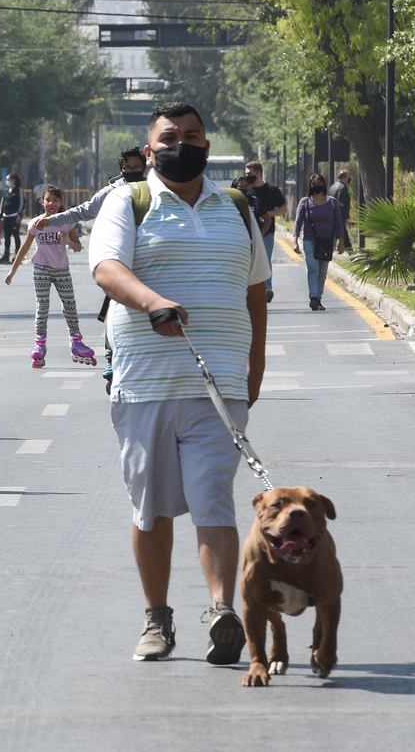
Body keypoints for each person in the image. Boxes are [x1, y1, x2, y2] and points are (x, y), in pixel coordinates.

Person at [90, 102, 269, 664]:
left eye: (193, 135)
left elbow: (255, 290)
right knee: (152, 508)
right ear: (150, 149)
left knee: (214, 495)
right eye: (169, 136)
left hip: (220, 385)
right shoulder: (129, 200)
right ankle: (157, 619)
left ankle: (221, 611)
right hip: (145, 382)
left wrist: (254, 366)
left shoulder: (236, 207)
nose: (181, 143)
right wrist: (153, 301)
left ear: (208, 147)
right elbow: (107, 269)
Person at [28, 147, 146, 386]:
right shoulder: (111, 192)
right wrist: (51, 220)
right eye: (128, 168)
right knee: (114, 308)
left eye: (137, 168)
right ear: (121, 169)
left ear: (145, 166)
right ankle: (111, 357)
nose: (133, 172)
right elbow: (82, 212)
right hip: (121, 259)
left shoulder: (155, 188)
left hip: (149, 259)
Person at [5, 185, 94, 368]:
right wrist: (12, 271)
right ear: (42, 202)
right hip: (41, 268)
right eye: (48, 200)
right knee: (42, 307)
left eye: (55, 200)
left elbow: (78, 247)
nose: (51, 204)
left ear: (61, 203)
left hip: (62, 269)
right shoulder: (35, 224)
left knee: (70, 305)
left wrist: (68, 240)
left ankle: (76, 342)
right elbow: (24, 248)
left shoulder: (67, 222)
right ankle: (40, 345)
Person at [291, 173, 347, 311]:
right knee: (313, 268)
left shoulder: (332, 202)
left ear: (324, 185)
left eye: (319, 183)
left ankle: (319, 298)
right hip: (309, 240)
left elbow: (338, 222)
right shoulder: (305, 202)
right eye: (314, 184)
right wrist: (295, 240)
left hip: (327, 241)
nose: (317, 187)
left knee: (322, 271)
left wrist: (341, 241)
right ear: (310, 186)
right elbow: (298, 222)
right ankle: (313, 297)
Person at [247, 161, 287, 303]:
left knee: (265, 260)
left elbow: (283, 208)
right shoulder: (246, 191)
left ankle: (266, 288)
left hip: (267, 232)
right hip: (248, 234)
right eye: (246, 174)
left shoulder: (272, 190)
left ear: (259, 174)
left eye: (250, 174)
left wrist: (269, 214)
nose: (247, 177)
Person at [0, 174, 25, 263]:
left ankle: (18, 254)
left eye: (8, 180)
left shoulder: (18, 191)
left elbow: (21, 203)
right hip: (6, 216)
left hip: (15, 216)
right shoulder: (6, 191)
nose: (7, 182)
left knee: (15, 235)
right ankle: (6, 254)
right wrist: (0, 215)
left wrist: (19, 214)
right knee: (7, 236)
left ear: (13, 180)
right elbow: (3, 202)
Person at [328, 168, 353, 243]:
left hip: (332, 215)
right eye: (349, 177)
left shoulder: (333, 186)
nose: (350, 179)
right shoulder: (342, 188)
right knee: (344, 236)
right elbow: (341, 204)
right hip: (339, 217)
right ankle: (350, 252)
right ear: (344, 178)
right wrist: (347, 217)